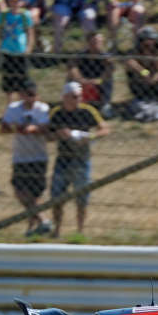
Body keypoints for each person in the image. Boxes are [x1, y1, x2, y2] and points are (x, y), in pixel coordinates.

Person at [48, 80, 108, 236]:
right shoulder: (57, 112)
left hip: (82, 157)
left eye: (80, 96)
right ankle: (57, 229)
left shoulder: (87, 111)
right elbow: (47, 135)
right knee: (57, 197)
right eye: (75, 97)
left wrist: (90, 136)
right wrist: (58, 135)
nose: (78, 100)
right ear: (65, 97)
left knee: (82, 197)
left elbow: (105, 129)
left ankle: (80, 231)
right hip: (63, 158)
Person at [1, 78, 52, 236]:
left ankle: (33, 226)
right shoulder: (13, 108)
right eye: (29, 94)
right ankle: (42, 220)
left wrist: (33, 129)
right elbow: (4, 128)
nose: (32, 98)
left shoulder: (42, 108)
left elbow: (46, 127)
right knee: (19, 191)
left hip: (38, 156)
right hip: (20, 156)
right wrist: (16, 128)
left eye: (34, 94)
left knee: (34, 194)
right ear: (21, 95)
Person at [0, 0, 35, 101]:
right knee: (8, 79)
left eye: (18, 1)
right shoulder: (4, 15)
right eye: (13, 1)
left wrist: (29, 47)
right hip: (7, 51)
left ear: (22, 2)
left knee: (23, 78)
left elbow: (30, 32)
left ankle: (21, 102)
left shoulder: (25, 15)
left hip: (21, 51)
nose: (15, 3)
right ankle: (10, 103)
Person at [66, 30, 114, 118]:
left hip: (98, 83)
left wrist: (98, 81)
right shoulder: (81, 56)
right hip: (83, 82)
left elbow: (109, 70)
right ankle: (73, 103)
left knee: (108, 80)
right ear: (88, 42)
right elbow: (72, 67)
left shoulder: (105, 57)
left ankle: (104, 105)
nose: (98, 44)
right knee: (70, 78)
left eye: (100, 42)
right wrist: (81, 80)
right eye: (95, 41)